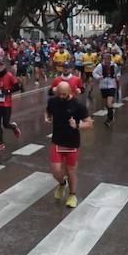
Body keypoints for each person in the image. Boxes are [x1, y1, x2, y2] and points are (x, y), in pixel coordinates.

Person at [45, 80, 92, 208]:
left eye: (64, 94)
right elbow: (48, 111)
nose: (61, 96)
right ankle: (62, 183)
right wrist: (47, 117)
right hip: (57, 141)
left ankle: (72, 195)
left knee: (71, 171)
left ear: (70, 92)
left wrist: (77, 125)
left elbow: (89, 123)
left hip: (72, 143)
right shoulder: (52, 101)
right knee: (55, 170)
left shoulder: (77, 105)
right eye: (59, 94)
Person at [93, 54, 120, 126]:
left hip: (112, 85)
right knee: (106, 104)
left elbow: (118, 72)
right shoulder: (100, 66)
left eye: (107, 59)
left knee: (109, 103)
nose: (105, 60)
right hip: (103, 86)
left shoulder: (114, 65)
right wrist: (99, 77)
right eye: (104, 59)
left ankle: (109, 119)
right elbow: (94, 73)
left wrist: (117, 77)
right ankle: (111, 112)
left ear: (110, 59)